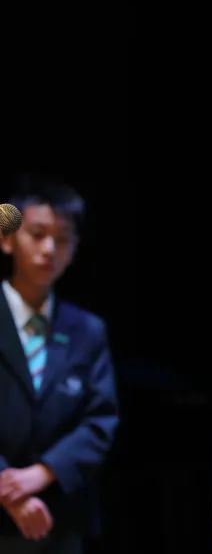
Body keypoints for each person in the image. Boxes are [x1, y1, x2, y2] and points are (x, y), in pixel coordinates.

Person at [0, 175, 119, 554]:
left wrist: (43, 472)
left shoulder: (87, 330)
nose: (49, 248)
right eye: (37, 234)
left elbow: (100, 421)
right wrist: (8, 488)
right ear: (7, 238)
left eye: (63, 238)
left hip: (60, 516)